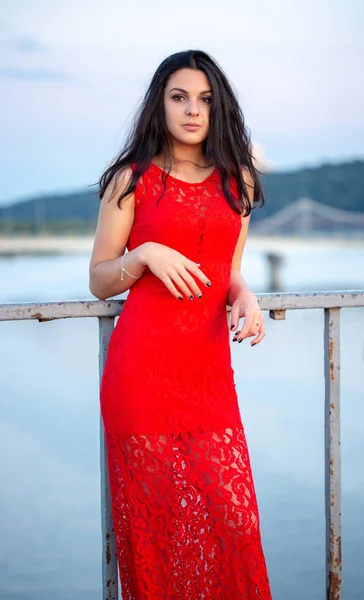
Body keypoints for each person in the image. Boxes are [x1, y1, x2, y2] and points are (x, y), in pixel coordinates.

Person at [89, 49, 272, 599]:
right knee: (159, 533)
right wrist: (144, 253)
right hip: (141, 377)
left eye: (205, 100)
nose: (193, 110)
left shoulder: (235, 179)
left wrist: (245, 294)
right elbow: (99, 279)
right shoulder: (131, 179)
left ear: (220, 110)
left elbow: (229, 267)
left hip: (209, 374)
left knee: (234, 523)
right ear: (159, 104)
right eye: (179, 97)